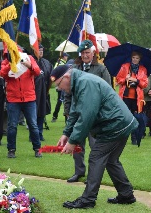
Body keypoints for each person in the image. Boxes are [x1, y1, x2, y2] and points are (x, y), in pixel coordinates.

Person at [50, 65, 138, 209]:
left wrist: (73, 141)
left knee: (96, 157)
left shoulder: (85, 83)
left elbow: (86, 117)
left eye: (59, 85)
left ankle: (88, 199)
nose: (59, 89)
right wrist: (66, 133)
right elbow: (74, 112)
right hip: (120, 123)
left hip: (115, 125)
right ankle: (126, 194)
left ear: (66, 77)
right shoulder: (79, 84)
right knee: (111, 160)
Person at [65, 40, 111, 183]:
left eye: (87, 53)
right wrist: (67, 111)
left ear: (93, 53)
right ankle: (79, 172)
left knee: (95, 146)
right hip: (77, 113)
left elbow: (108, 92)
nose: (85, 55)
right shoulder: (74, 68)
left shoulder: (101, 69)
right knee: (77, 144)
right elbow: (68, 92)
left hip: (95, 115)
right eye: (83, 53)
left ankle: (93, 175)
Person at [0, 50, 42, 158]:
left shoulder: (29, 58)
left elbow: (37, 72)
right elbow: (2, 74)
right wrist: (11, 64)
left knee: (33, 125)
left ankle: (37, 149)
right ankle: (11, 150)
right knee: (12, 125)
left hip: (29, 98)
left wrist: (29, 65)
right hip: (13, 99)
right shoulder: (6, 61)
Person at [116, 51, 148, 145]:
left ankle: (134, 138)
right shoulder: (125, 66)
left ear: (139, 59)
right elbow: (118, 80)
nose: (135, 59)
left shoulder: (143, 69)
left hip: (137, 99)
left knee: (136, 119)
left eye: (137, 58)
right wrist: (125, 79)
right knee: (124, 118)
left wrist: (136, 80)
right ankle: (122, 138)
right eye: (133, 57)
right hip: (125, 97)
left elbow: (145, 84)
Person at [33, 44, 53, 141]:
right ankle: (33, 134)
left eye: (42, 50)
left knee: (42, 113)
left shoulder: (47, 63)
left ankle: (40, 133)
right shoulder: (31, 62)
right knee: (33, 114)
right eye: (39, 50)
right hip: (33, 92)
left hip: (44, 92)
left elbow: (51, 75)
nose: (41, 52)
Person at [51, 52, 69, 122]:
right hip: (61, 85)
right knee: (61, 101)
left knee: (61, 101)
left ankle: (55, 116)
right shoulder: (61, 64)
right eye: (66, 56)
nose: (67, 57)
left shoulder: (62, 63)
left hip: (62, 85)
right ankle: (55, 116)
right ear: (63, 56)